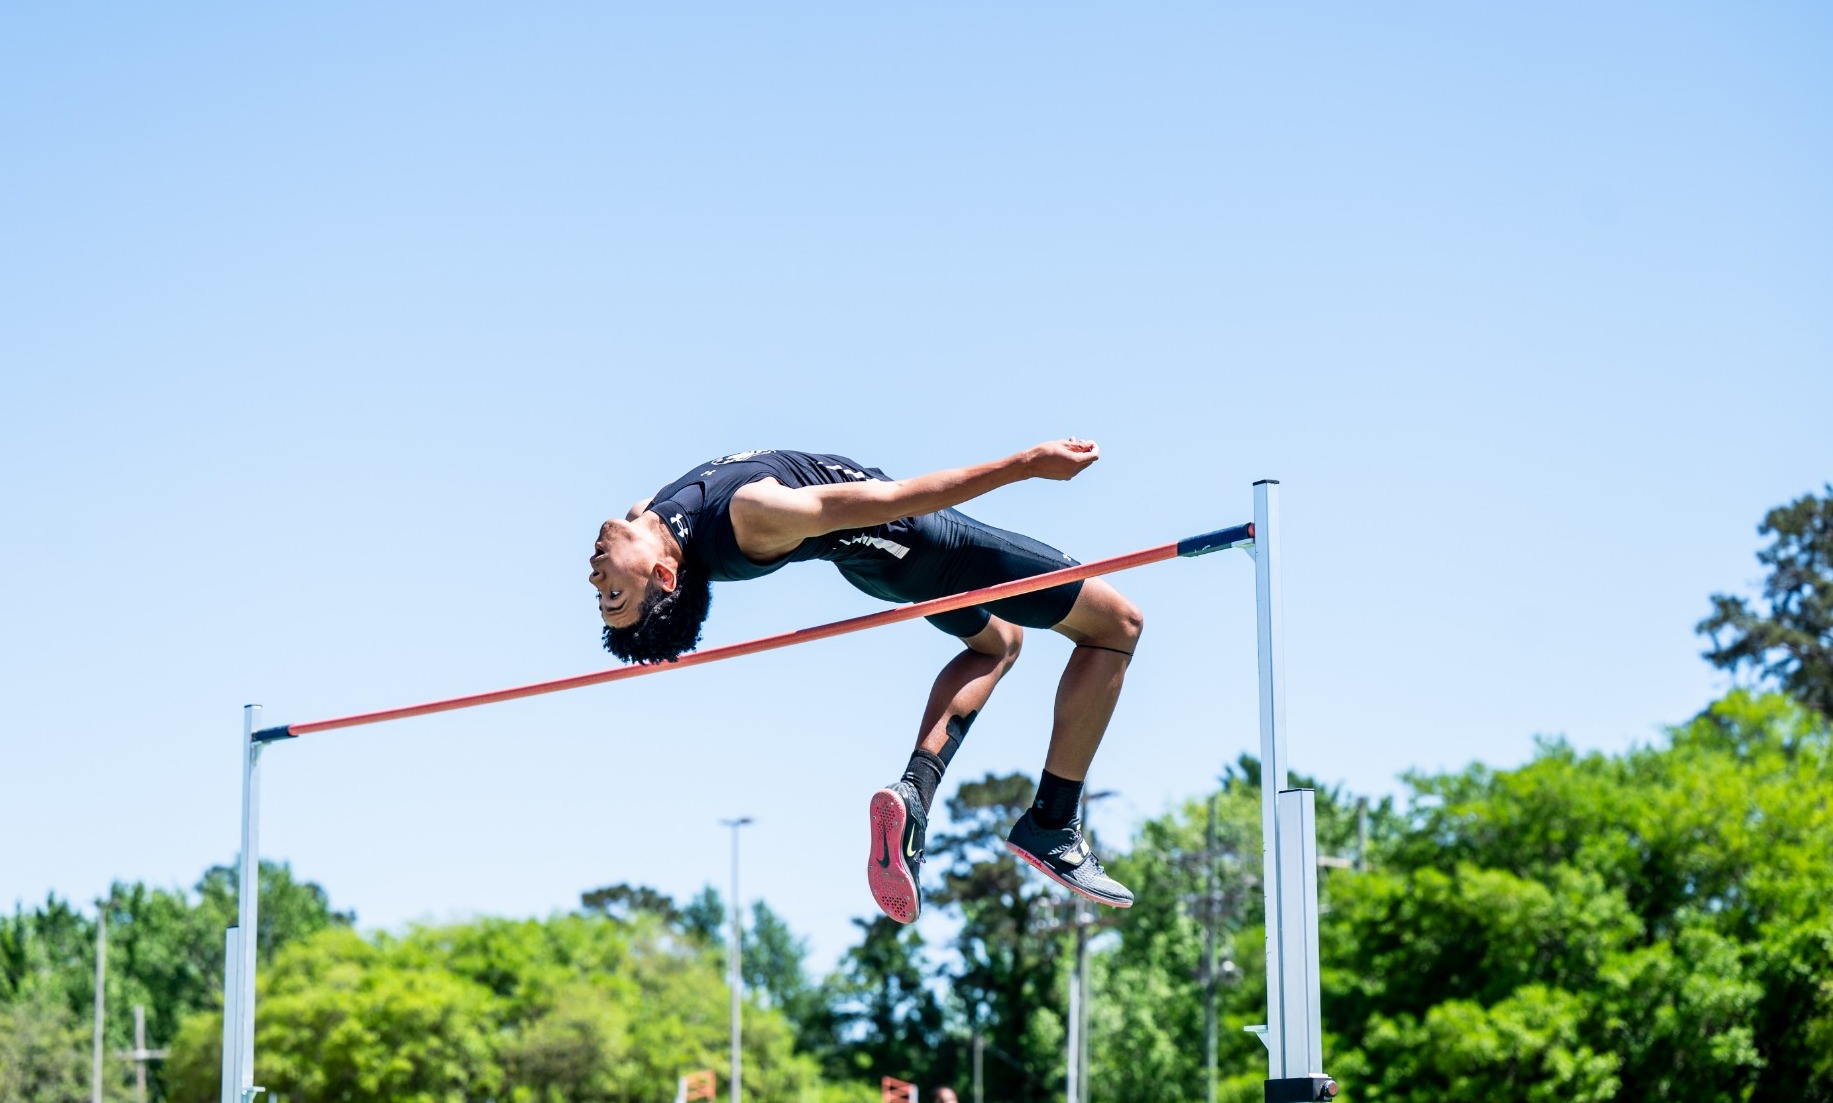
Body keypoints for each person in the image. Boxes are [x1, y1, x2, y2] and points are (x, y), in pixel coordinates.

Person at [587, 439, 1141, 923]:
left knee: (1000, 643)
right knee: (1116, 626)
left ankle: (914, 796)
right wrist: (1026, 464)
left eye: (602, 596)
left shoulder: (651, 516)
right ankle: (1054, 822)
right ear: (663, 575)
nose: (596, 579)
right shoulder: (753, 515)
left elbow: (653, 557)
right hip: (920, 542)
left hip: (882, 566)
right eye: (614, 595)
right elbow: (894, 499)